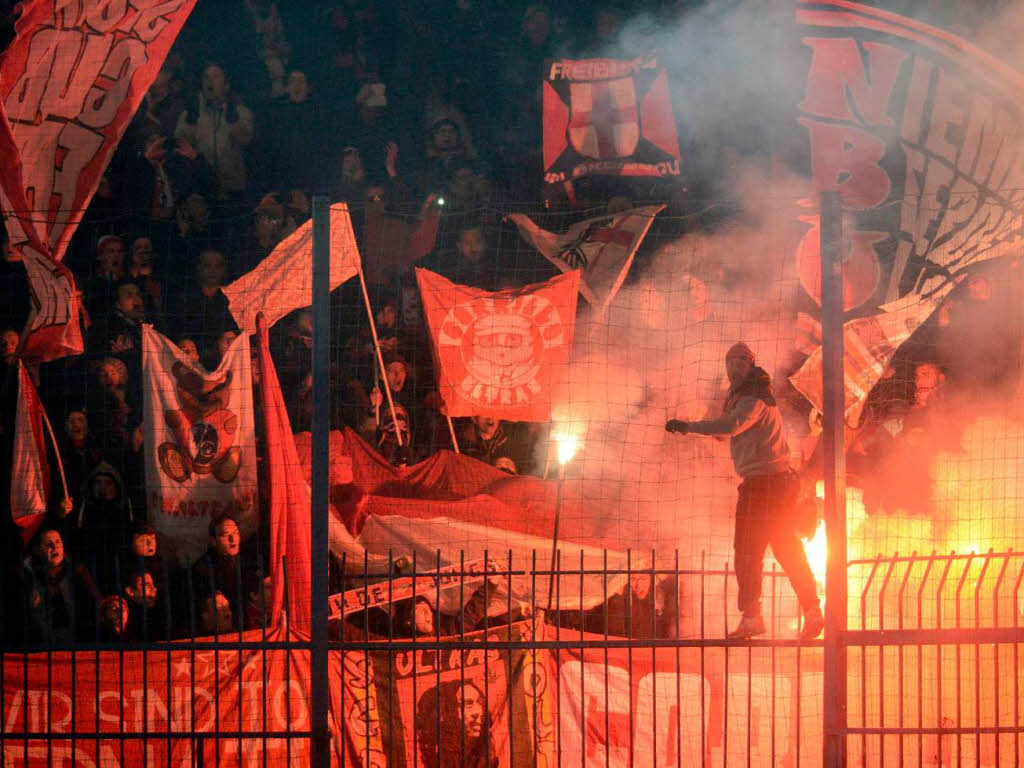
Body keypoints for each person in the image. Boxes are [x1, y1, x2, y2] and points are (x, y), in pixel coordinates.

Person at [665, 342, 823, 640]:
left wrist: (690, 426)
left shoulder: (754, 396)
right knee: (782, 548)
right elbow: (731, 429)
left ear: (750, 363)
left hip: (766, 486)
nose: (732, 368)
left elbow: (734, 424)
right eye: (729, 363)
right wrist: (712, 431)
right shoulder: (746, 393)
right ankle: (810, 611)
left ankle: (756, 616)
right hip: (770, 484)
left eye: (738, 362)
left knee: (750, 552)